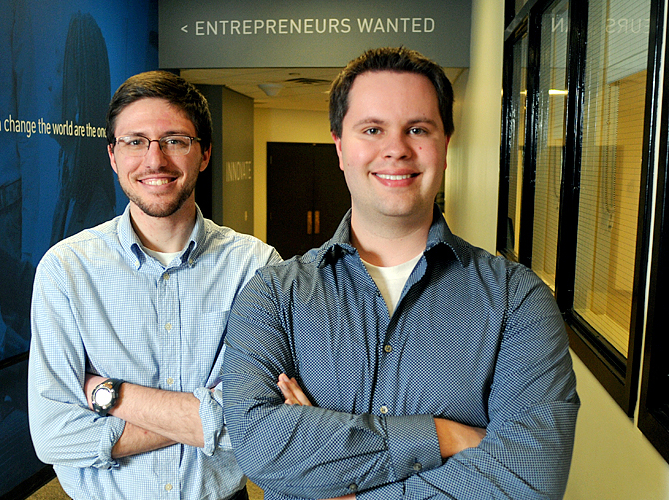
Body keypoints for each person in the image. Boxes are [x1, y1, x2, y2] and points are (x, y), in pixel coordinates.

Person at [222, 46, 580, 500]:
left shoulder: (517, 299)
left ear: (445, 146)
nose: (396, 149)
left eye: (417, 129)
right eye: (372, 129)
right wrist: (443, 436)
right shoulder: (274, 294)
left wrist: (336, 477)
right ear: (340, 147)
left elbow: (529, 480)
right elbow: (258, 446)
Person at [28, 70, 280, 500]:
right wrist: (204, 421)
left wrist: (109, 395)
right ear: (112, 155)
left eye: (175, 140)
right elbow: (54, 436)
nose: (155, 160)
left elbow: (259, 426)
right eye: (135, 141)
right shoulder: (66, 270)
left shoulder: (256, 266)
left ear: (204, 155)